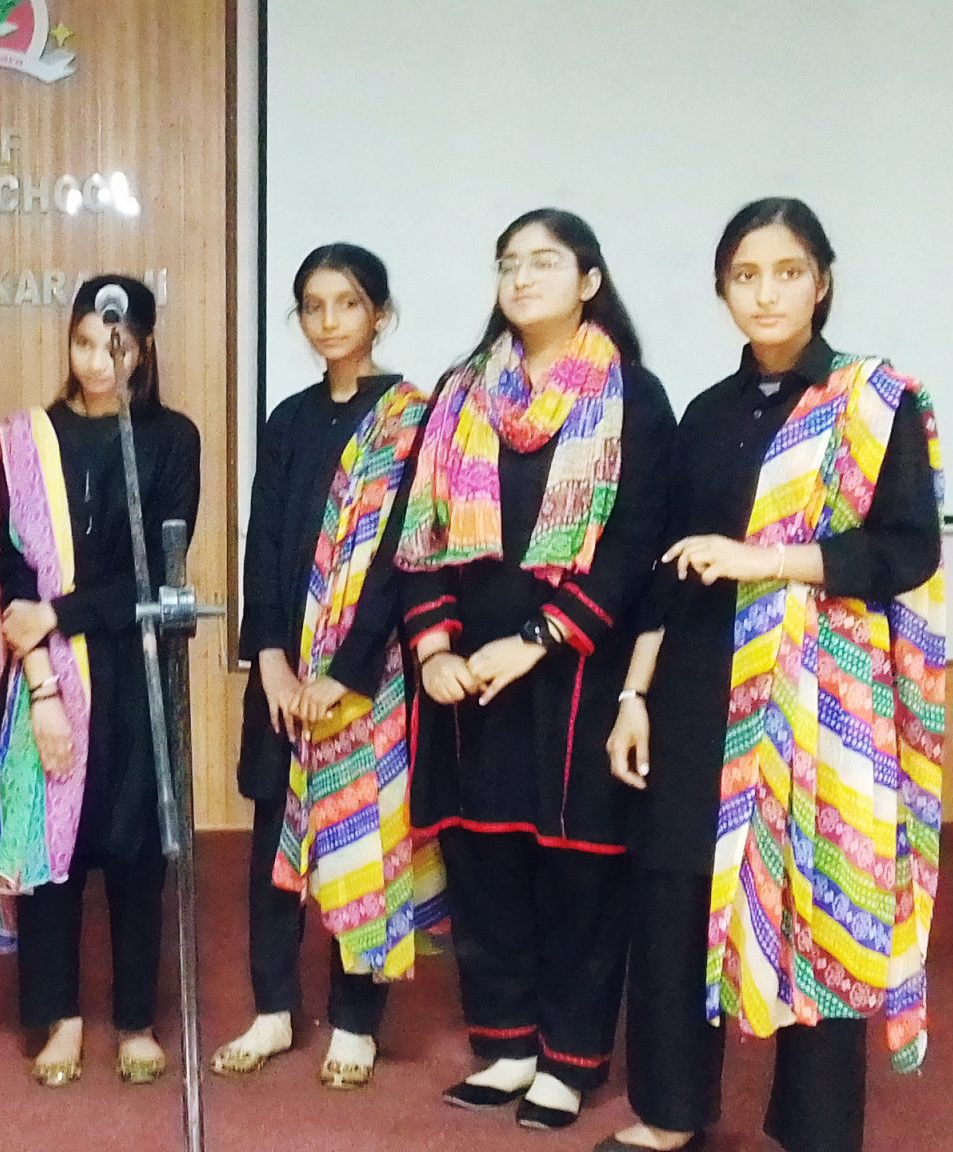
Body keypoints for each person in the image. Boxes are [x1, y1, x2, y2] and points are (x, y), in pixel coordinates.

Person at [599, 197, 943, 1152]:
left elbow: (906, 550)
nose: (765, 294)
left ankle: (816, 1127)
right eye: (744, 276)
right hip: (698, 687)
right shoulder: (705, 413)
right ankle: (670, 1111)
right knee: (673, 893)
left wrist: (767, 560)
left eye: (787, 272)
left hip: (823, 695)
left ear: (821, 282)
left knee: (818, 896)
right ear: (722, 291)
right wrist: (633, 696)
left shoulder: (874, 401)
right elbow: (670, 569)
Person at [394, 208, 674, 1131]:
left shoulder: (633, 396)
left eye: (544, 262)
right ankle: (506, 1046)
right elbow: (419, 534)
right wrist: (433, 647)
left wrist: (538, 640)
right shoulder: (459, 393)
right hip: (468, 676)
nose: (521, 278)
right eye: (508, 262)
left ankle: (569, 1059)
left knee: (579, 874)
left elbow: (634, 549)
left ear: (589, 282)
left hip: (574, 670)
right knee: (484, 863)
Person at [208, 243, 438, 1089]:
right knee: (274, 836)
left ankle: (355, 1021)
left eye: (347, 303)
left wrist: (346, 670)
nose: (329, 320)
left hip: (366, 678)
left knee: (359, 839)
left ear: (380, 314)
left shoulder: (414, 419)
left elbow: (405, 554)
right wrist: (269, 658)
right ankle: (273, 1009)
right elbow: (264, 542)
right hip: (284, 673)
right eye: (313, 305)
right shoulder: (289, 420)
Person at [0, 274, 201, 1088]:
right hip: (45, 671)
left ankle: (135, 1019)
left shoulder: (171, 439)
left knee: (137, 845)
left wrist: (59, 612)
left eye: (116, 345)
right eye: (83, 342)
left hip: (135, 670)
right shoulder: (26, 440)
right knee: (50, 846)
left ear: (143, 349)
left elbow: (158, 572)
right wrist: (40, 680)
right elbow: (10, 568)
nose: (97, 360)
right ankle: (59, 1016)